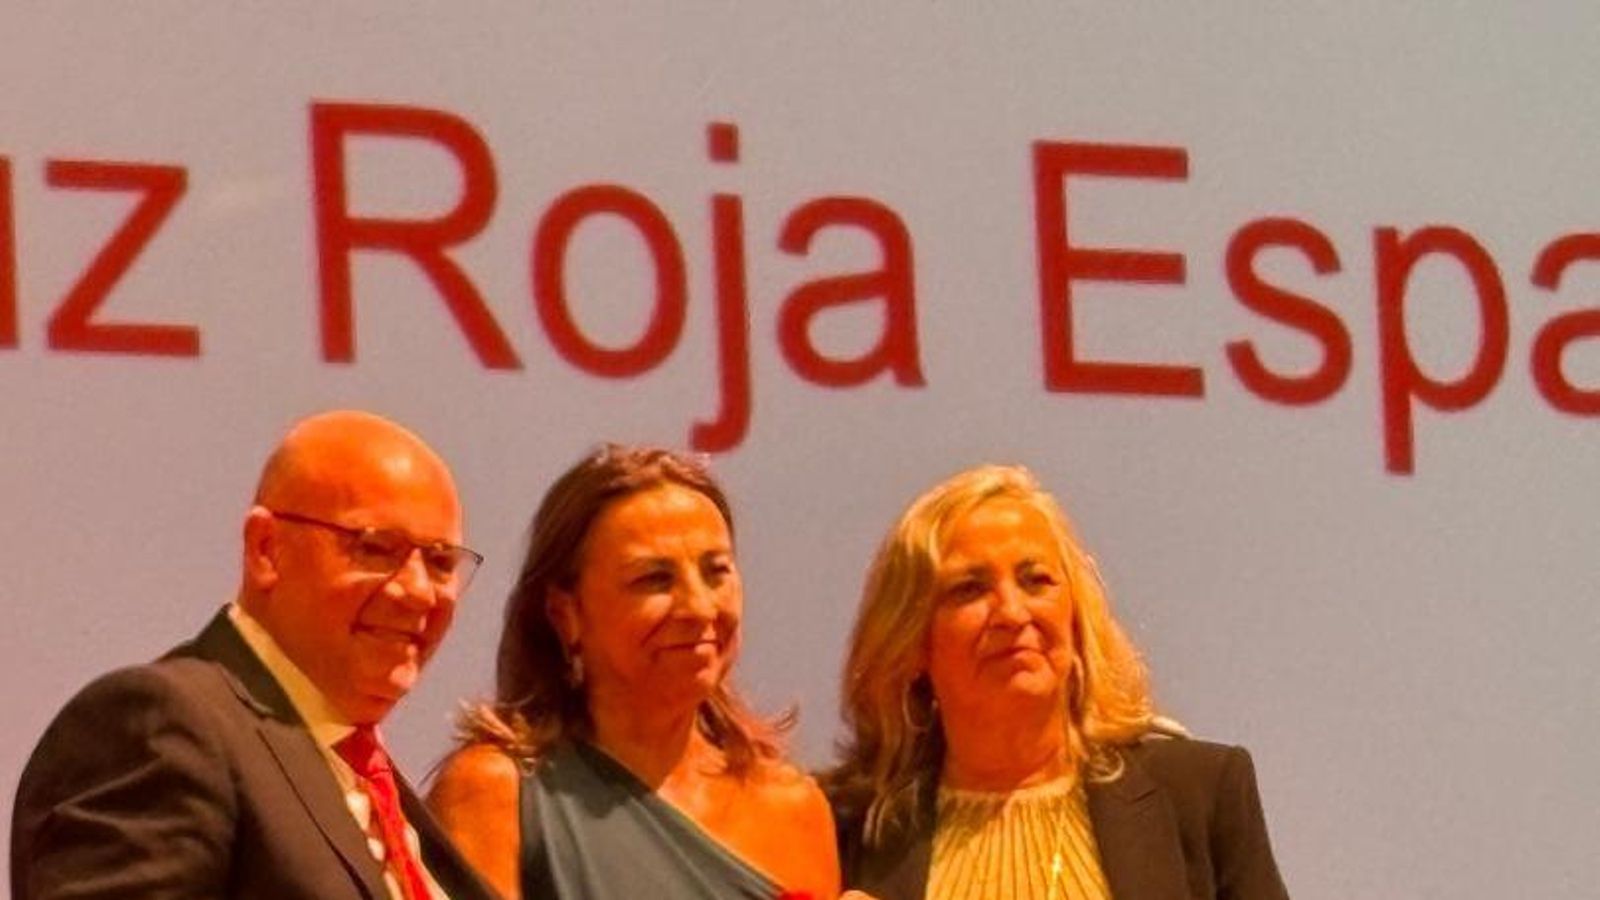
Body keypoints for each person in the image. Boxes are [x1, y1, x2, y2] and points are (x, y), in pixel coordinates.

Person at [11, 410, 498, 900]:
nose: (418, 591)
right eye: (375, 549)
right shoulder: (162, 726)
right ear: (266, 549)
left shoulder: (370, 783)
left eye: (439, 562)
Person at [827, 464, 1289, 900]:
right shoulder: (843, 829)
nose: (1011, 612)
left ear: (1075, 618)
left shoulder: (1200, 793)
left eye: (1036, 581)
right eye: (970, 588)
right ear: (911, 643)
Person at [428, 445, 840, 900]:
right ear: (565, 613)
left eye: (716, 572)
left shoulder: (795, 808)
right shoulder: (495, 793)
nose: (700, 608)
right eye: (654, 580)